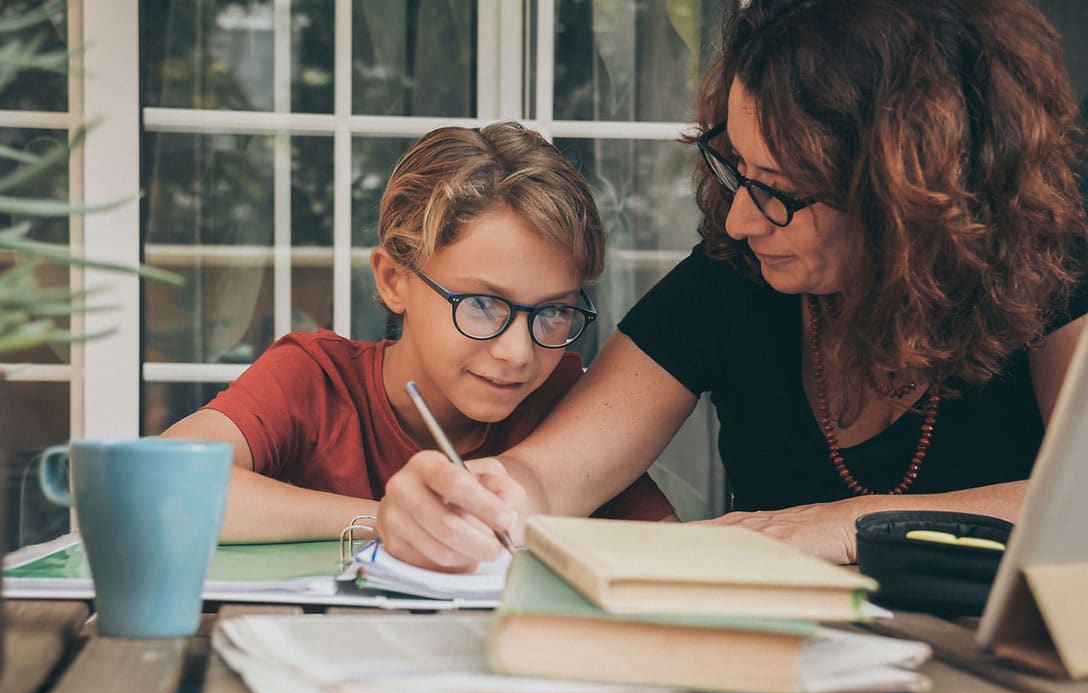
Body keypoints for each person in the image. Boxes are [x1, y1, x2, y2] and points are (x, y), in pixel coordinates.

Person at [377, 0, 1088, 570]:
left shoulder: (1053, 271)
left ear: (907, 200)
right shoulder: (735, 275)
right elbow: (555, 474)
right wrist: (489, 494)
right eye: (736, 168)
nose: (743, 217)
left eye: (780, 192)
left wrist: (850, 526)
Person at [162, 122, 674, 550]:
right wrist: (389, 519)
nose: (518, 352)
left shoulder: (568, 407)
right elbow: (162, 485)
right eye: (481, 305)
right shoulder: (314, 382)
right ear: (393, 281)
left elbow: (664, 551)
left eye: (555, 312)